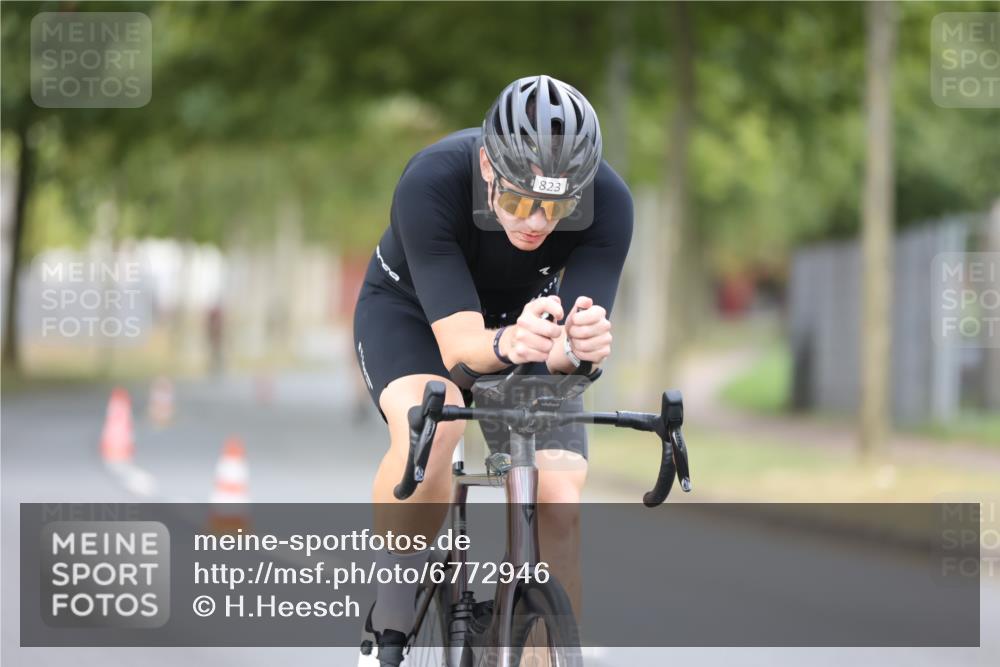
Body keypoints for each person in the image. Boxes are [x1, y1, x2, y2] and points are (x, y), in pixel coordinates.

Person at [353, 74, 633, 665]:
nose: (535, 221)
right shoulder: (432, 180)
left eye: (556, 206)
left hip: (522, 323)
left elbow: (565, 355)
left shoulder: (609, 203)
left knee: (558, 496)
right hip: (414, 315)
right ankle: (393, 601)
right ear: (487, 167)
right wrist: (513, 342)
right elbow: (460, 352)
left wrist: (579, 347)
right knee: (434, 428)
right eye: (517, 200)